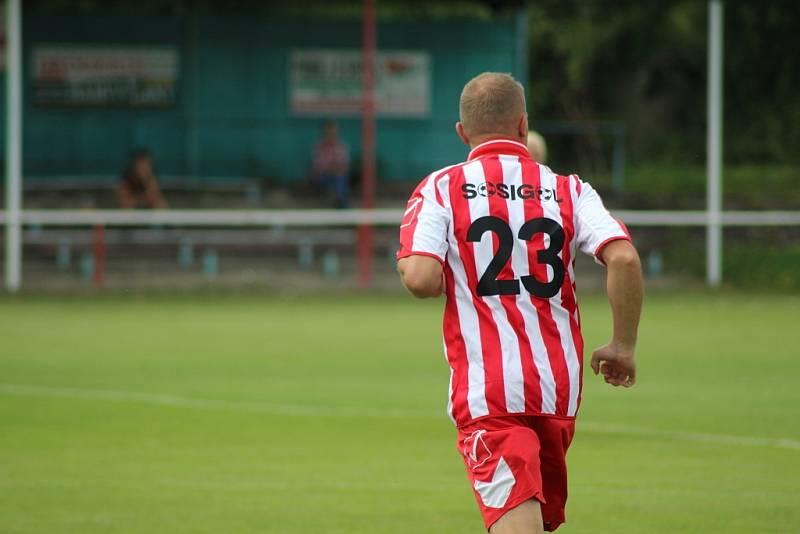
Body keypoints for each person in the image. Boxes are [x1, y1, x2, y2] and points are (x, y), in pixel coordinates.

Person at [396, 72, 643, 534]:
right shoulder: (571, 189)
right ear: (523, 125)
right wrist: (622, 346)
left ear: (462, 132)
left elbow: (422, 279)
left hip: (489, 390)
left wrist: (412, 261)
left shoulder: (442, 188)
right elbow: (624, 258)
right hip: (558, 388)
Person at [311, 121, 351, 208]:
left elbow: (345, 165)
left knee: (340, 178)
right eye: (328, 132)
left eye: (333, 132)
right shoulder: (319, 147)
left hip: (338, 176)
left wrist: (336, 169)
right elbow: (319, 167)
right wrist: (332, 169)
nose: (331, 134)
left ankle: (340, 201)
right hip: (323, 177)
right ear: (324, 133)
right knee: (338, 180)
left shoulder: (341, 146)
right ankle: (343, 204)